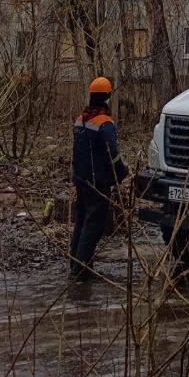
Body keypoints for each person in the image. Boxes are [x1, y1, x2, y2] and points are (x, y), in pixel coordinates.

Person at [69, 75, 129, 282]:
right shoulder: (105, 123)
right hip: (98, 183)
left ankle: (75, 265)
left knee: (81, 222)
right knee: (94, 225)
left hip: (80, 180)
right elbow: (113, 154)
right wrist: (121, 172)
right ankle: (82, 270)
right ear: (107, 97)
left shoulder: (80, 120)